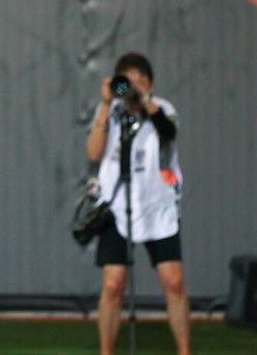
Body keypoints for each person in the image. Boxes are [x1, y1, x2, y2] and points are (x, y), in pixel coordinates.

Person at [86, 53, 189, 355]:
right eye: (127, 81)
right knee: (113, 285)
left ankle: (185, 350)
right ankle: (106, 351)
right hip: (117, 206)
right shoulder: (111, 111)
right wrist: (106, 104)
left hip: (158, 207)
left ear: (150, 82)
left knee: (174, 282)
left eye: (140, 80)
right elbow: (94, 153)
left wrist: (145, 99)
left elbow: (168, 133)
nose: (132, 87)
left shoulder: (163, 109)